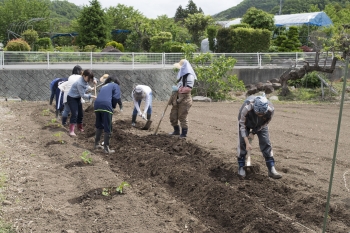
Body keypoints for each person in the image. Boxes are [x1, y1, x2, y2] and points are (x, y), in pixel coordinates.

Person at [237, 94, 282, 179]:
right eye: (258, 113)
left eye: (262, 114)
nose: (260, 115)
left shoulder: (270, 110)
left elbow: (265, 123)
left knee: (266, 142)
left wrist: (253, 132)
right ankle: (241, 167)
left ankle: (271, 168)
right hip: (245, 123)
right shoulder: (246, 108)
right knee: (242, 143)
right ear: (254, 108)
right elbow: (242, 126)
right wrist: (247, 143)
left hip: (261, 125)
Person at [94, 76, 122, 154]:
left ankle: (96, 144)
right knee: (108, 127)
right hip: (106, 106)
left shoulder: (104, 86)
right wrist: (113, 106)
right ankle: (106, 149)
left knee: (99, 125)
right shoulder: (115, 86)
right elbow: (116, 97)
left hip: (96, 105)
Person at [169, 59, 196, 138]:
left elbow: (189, 88)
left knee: (182, 116)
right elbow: (180, 85)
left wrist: (179, 89)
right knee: (173, 115)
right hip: (177, 97)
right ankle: (176, 131)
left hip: (185, 99)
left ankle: (184, 134)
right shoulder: (182, 76)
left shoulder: (190, 76)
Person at [66, 69, 96, 137]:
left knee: (81, 113)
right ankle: (71, 131)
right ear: (84, 76)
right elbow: (83, 95)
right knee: (75, 113)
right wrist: (91, 96)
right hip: (72, 98)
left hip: (77, 98)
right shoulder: (80, 83)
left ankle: (80, 127)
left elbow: (92, 78)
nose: (89, 80)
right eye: (89, 78)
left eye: (90, 78)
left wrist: (94, 80)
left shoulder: (86, 78)